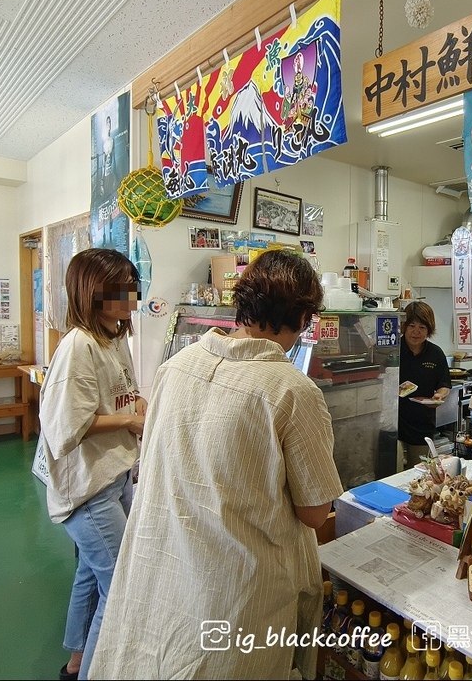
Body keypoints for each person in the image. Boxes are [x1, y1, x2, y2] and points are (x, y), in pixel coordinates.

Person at [90, 249, 343, 680]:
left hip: (164, 572)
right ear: (303, 317)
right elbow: (315, 512)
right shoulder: (293, 391)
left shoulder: (176, 367)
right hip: (238, 595)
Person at [37, 248, 146, 681]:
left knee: (89, 572)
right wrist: (129, 421)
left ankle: (76, 663)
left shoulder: (114, 337)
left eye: (133, 288)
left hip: (114, 475)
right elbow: (66, 426)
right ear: (91, 292)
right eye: (121, 290)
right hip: (88, 489)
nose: (131, 298)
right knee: (118, 584)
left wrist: (138, 405)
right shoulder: (78, 346)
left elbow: (120, 394)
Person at [397, 300, 452, 471]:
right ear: (404, 326)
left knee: (419, 474)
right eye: (411, 326)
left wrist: (439, 396)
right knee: (393, 473)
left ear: (429, 330)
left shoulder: (435, 353)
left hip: (422, 426)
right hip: (394, 425)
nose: (416, 332)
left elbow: (444, 384)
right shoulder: (393, 350)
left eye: (422, 327)